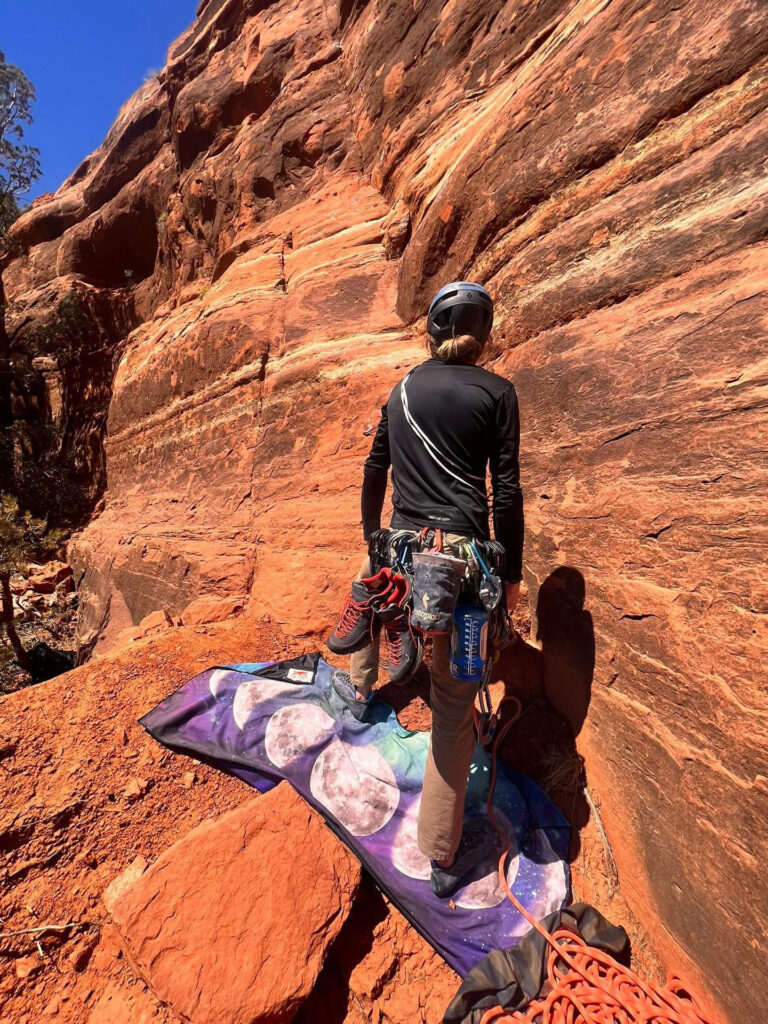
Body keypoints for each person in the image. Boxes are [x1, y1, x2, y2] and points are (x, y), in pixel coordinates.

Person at [329, 281, 524, 897]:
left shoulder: (402, 388)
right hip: (462, 568)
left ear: (434, 332)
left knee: (373, 588)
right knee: (451, 709)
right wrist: (512, 575)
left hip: (402, 551)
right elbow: (508, 493)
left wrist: (371, 534)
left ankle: (357, 693)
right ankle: (441, 855)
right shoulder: (498, 393)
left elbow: (374, 469)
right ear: (482, 333)